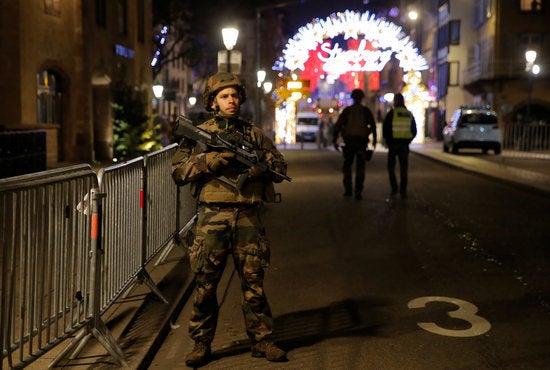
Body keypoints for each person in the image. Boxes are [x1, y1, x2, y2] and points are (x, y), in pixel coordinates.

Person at [171, 71, 288, 367]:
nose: (231, 100)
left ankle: (262, 340)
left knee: (253, 283)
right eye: (224, 96)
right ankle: (201, 343)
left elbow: (280, 166)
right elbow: (178, 173)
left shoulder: (253, 135)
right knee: (206, 284)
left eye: (235, 95)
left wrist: (264, 165)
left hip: (248, 216)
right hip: (212, 217)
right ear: (213, 102)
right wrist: (208, 161)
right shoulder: (199, 134)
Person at [332, 88, 377, 200]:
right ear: (362, 98)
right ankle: (358, 191)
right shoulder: (365, 111)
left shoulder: (347, 111)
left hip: (349, 142)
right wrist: (374, 140)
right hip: (361, 142)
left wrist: (335, 140)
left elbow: (338, 125)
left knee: (347, 166)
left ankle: (348, 190)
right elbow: (373, 126)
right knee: (360, 167)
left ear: (352, 98)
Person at [382, 92, 417, 198]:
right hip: (404, 145)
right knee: (403, 168)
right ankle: (403, 190)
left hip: (393, 145)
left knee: (391, 167)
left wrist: (387, 141)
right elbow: (414, 130)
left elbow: (385, 129)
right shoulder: (409, 114)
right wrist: (409, 139)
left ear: (395, 102)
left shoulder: (391, 114)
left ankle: (394, 188)